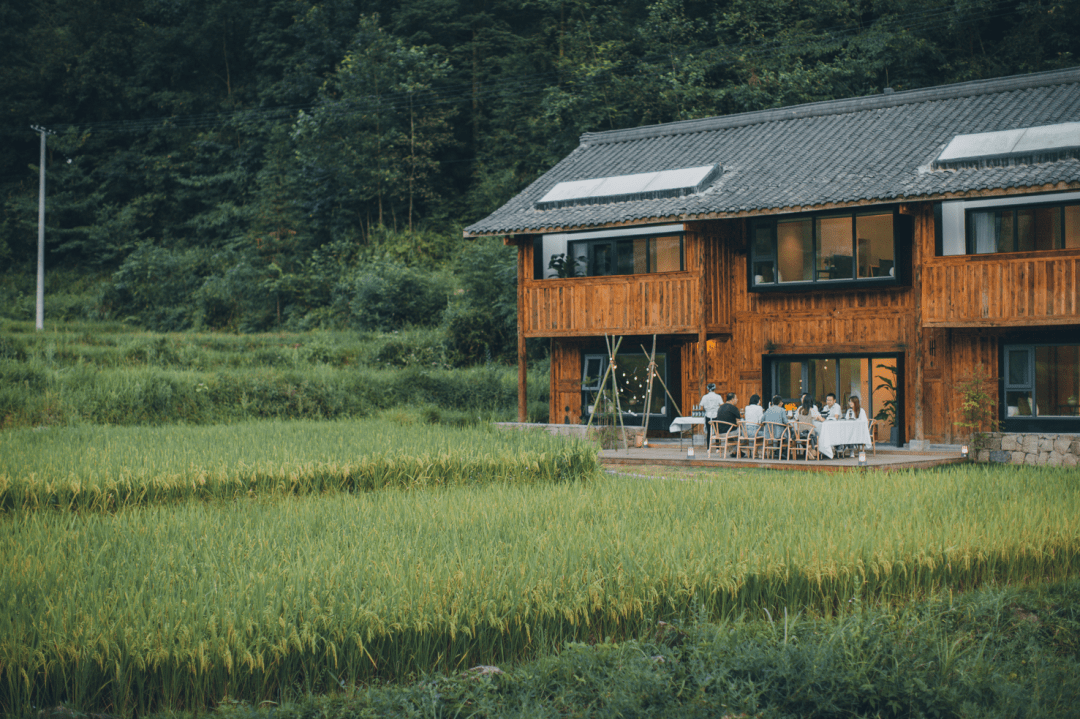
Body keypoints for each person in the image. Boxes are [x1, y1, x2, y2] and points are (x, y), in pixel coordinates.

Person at [699, 383, 724, 448]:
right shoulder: (718, 396)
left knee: (709, 432)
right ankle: (717, 448)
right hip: (716, 415)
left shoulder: (704, 397)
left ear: (707, 389)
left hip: (708, 415)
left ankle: (708, 448)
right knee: (716, 432)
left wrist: (707, 409)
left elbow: (701, 407)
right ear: (714, 388)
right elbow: (722, 405)